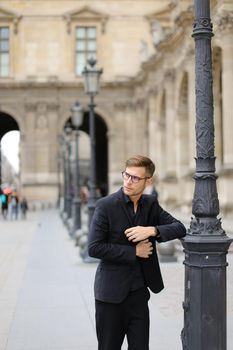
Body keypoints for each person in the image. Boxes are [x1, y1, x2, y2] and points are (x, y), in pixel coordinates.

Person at [88, 155, 186, 350]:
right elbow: (94, 247)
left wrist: (152, 230)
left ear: (148, 181)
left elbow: (179, 227)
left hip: (139, 294)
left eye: (135, 178)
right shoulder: (105, 206)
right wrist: (134, 252)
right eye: (127, 175)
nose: (128, 181)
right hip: (111, 295)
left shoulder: (150, 204)